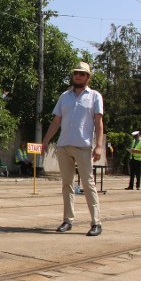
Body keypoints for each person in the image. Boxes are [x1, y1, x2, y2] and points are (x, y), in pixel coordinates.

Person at [41, 61, 104, 237]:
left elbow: (98, 122)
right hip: (63, 146)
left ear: (88, 77)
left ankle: (96, 222)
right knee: (66, 184)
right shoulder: (65, 96)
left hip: (83, 146)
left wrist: (99, 146)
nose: (78, 76)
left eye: (82, 74)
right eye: (76, 73)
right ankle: (67, 220)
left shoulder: (94, 96)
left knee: (87, 183)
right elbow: (56, 121)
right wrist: (45, 141)